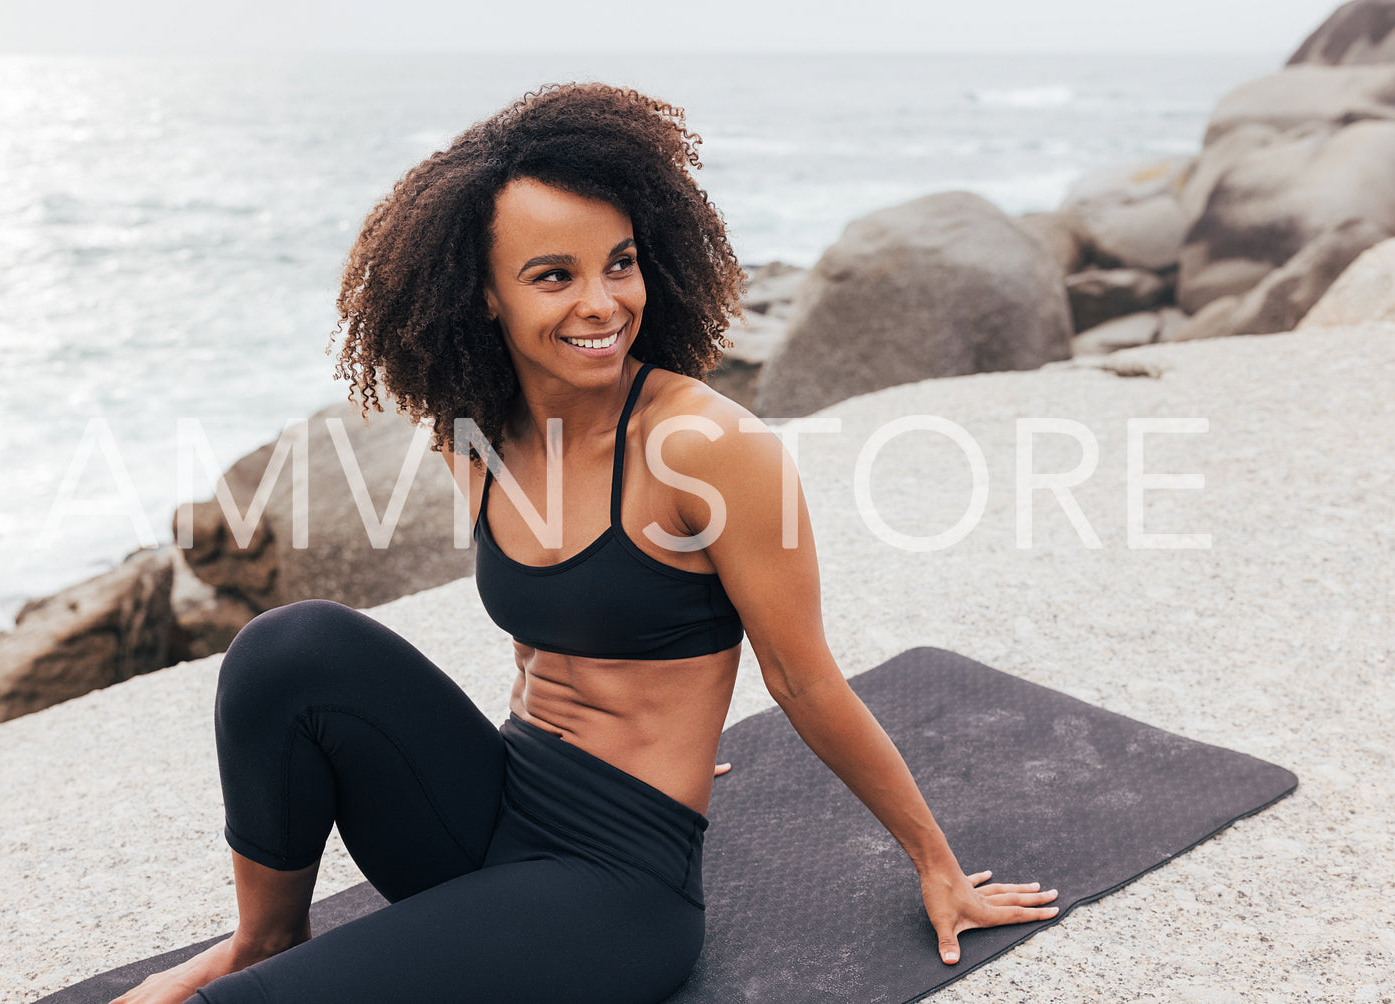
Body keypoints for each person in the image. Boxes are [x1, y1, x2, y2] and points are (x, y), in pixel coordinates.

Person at [112, 81, 1058, 1004]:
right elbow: (552, 640)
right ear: (481, 294)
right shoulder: (471, 430)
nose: (602, 303)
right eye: (553, 276)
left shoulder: (706, 448)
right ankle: (262, 937)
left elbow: (803, 679)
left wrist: (937, 865)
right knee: (289, 646)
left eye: (621, 262)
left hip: (615, 887)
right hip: (496, 811)